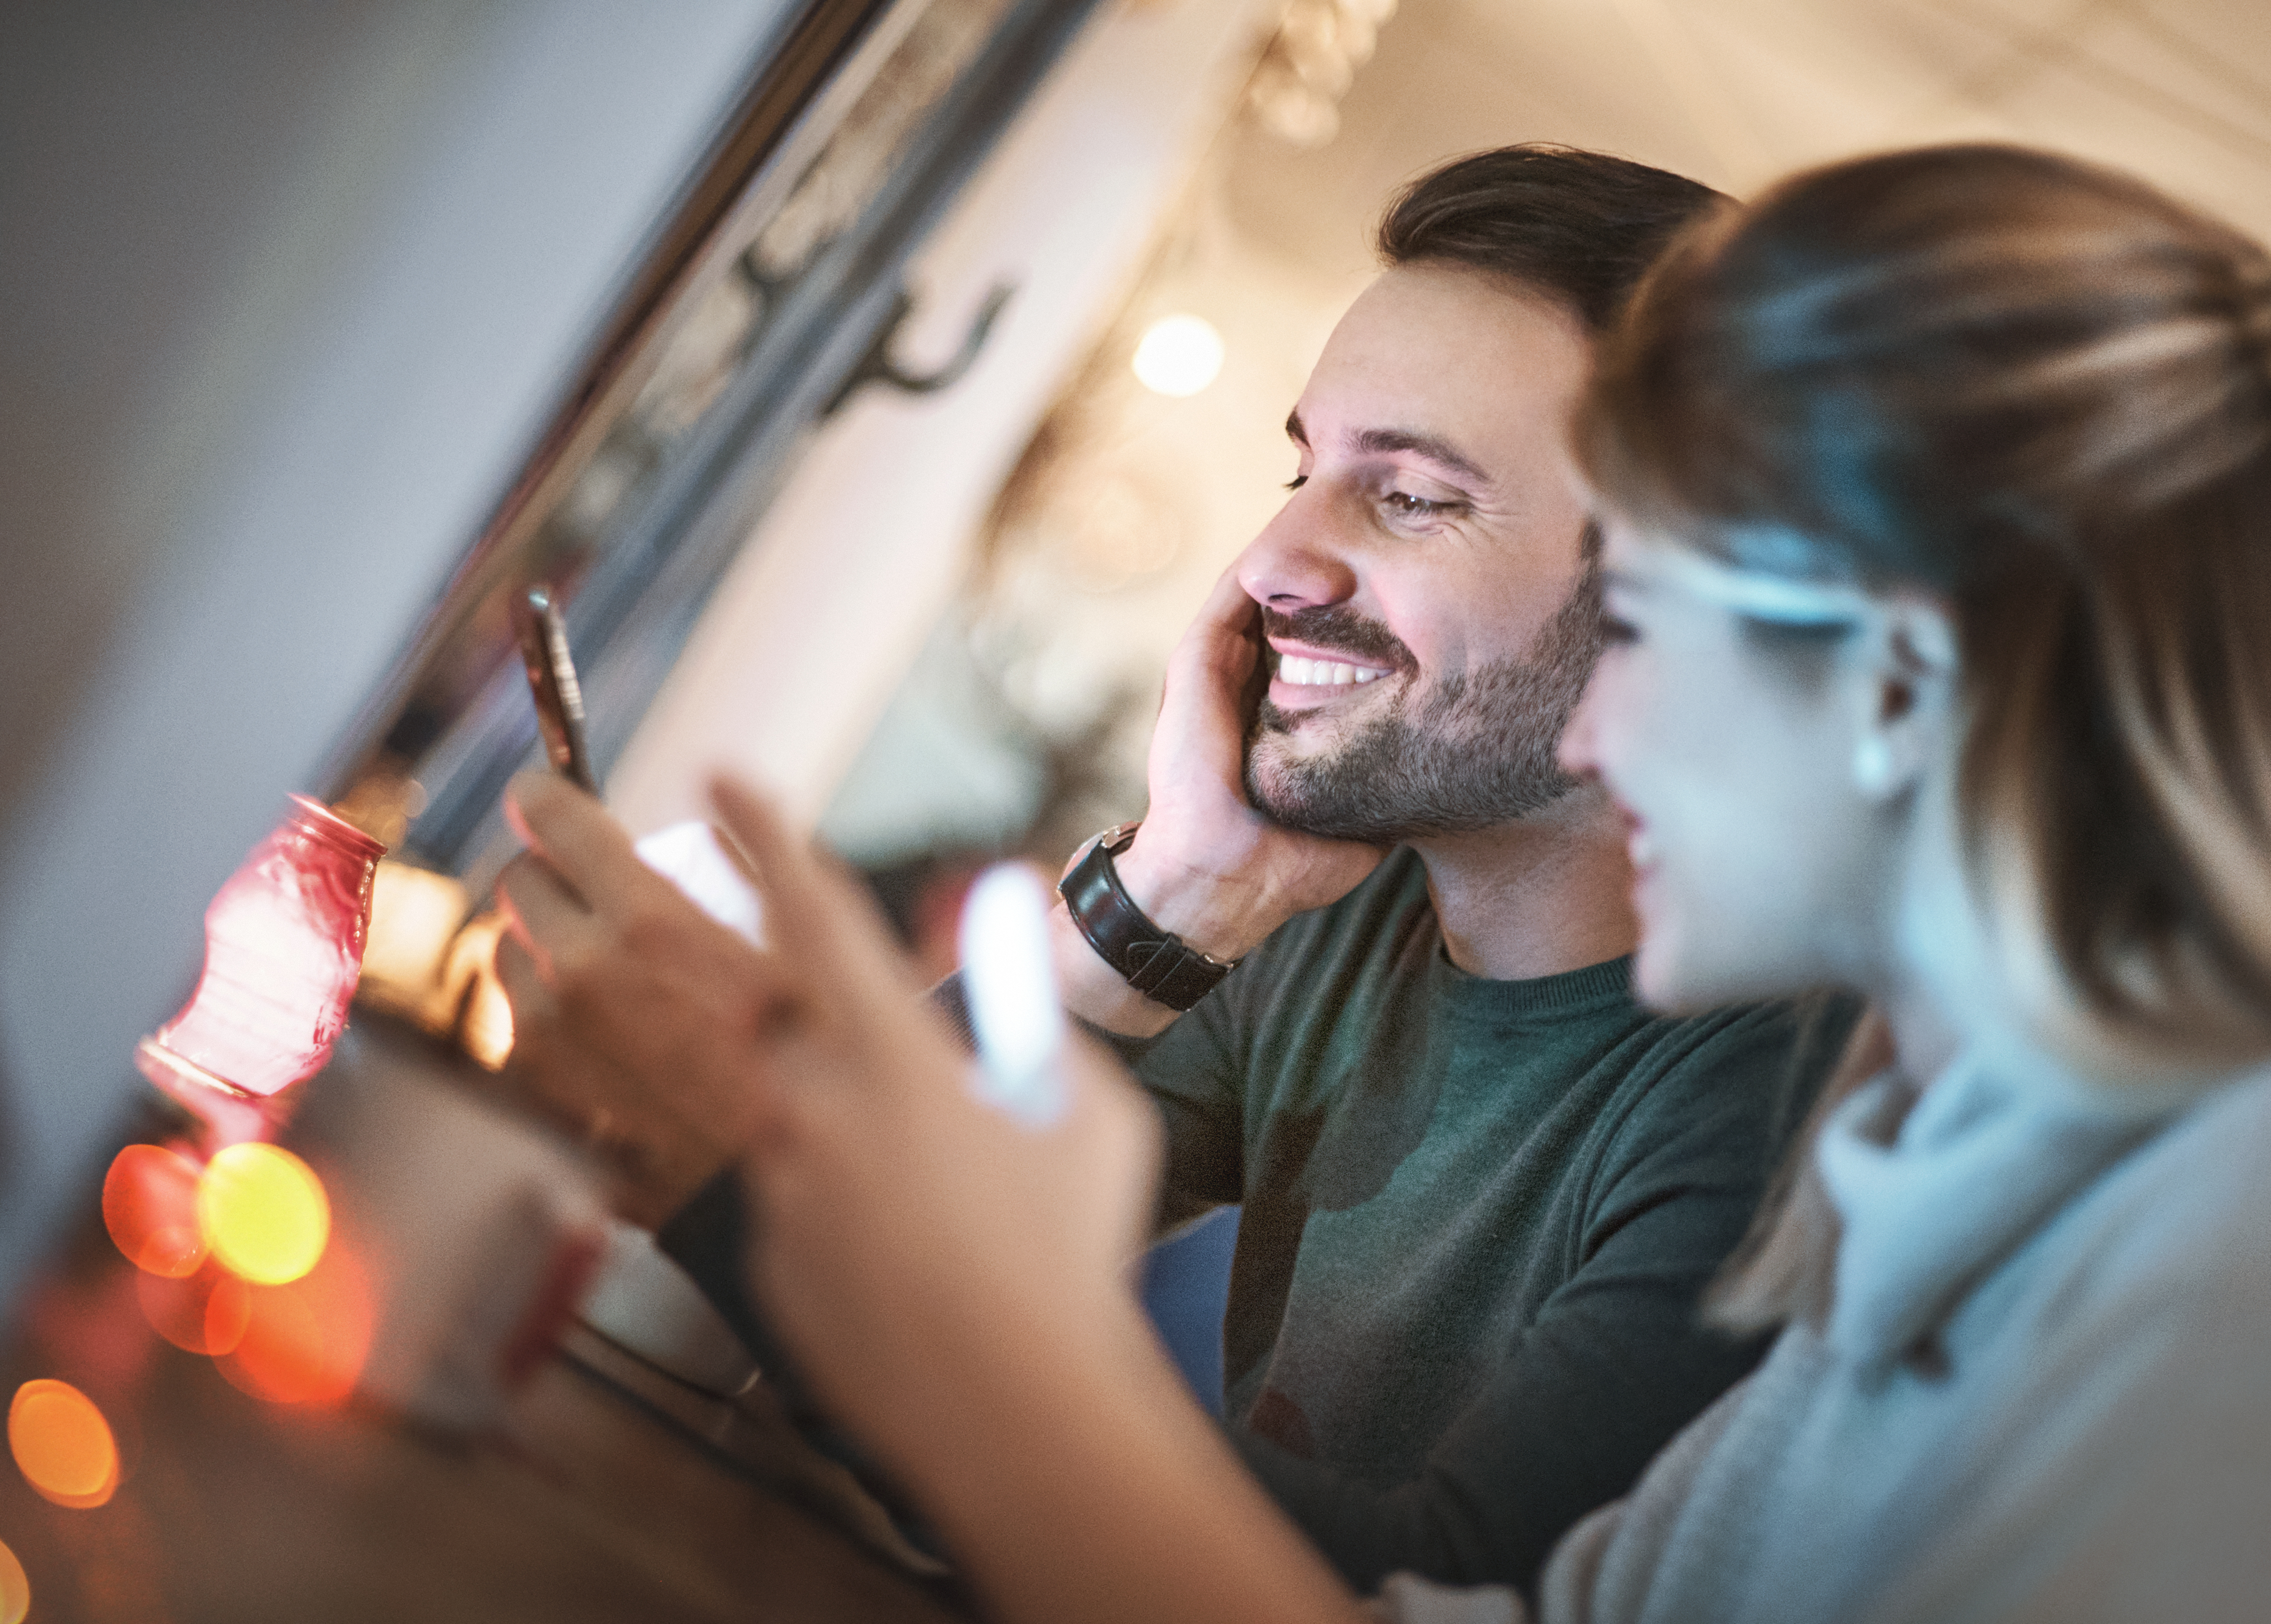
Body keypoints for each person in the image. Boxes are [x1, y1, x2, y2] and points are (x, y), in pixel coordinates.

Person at [507, 139, 2271, 1623]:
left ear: (1901, 676)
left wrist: (889, 1277)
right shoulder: (1942, 1161)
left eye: (1656, 616)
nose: (1602, 730)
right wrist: (1160, 896)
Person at [499, 145, 1853, 1589]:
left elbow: (1420, 1590)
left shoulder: (1783, 1094)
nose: (1271, 558)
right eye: (1302, 467)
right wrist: (1175, 890)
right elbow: (805, 1292)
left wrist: (753, 1164)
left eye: (1408, 497)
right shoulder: (1332, 909)